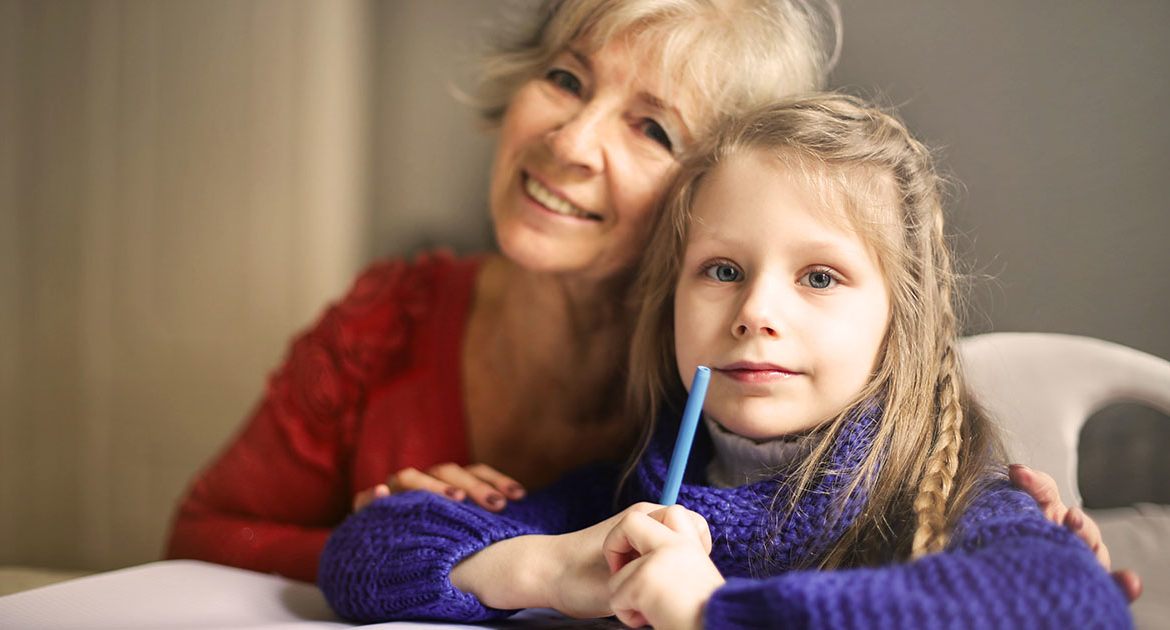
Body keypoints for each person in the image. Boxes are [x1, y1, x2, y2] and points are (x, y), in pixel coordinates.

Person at [165, 0, 1137, 599]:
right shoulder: (400, 322)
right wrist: (415, 538)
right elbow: (208, 542)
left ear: (710, 196)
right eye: (565, 78)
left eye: (651, 129)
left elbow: (1023, 578)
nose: (572, 142)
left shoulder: (746, 409)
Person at [316, 94, 1133, 628]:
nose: (755, 314)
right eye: (722, 271)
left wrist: (716, 609)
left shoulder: (930, 500)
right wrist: (555, 566)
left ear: (898, 323)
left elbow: (1069, 602)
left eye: (820, 277)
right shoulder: (631, 494)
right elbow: (364, 554)